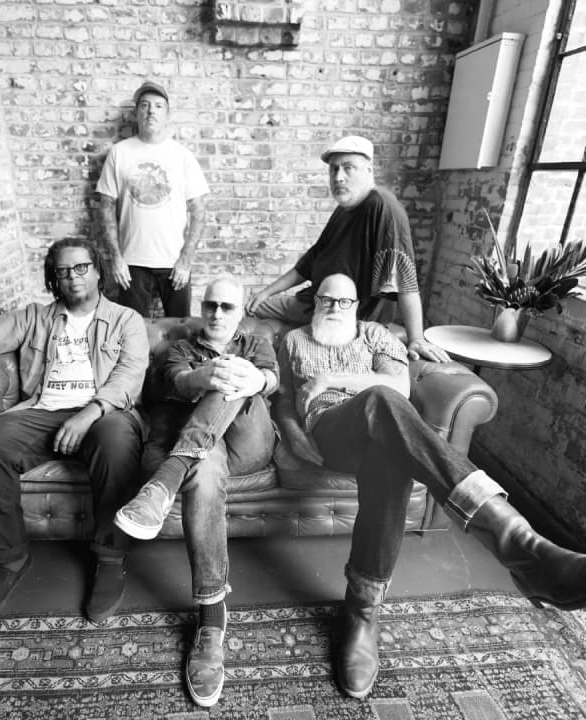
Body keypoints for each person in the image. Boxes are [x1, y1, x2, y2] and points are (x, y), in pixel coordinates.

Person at [275, 272, 586, 700]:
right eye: (326, 299)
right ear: (315, 302)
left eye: (344, 301)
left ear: (357, 306)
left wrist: (332, 380)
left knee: (389, 446)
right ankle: (519, 544)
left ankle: (362, 610)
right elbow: (282, 397)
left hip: (380, 427)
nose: (334, 307)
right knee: (382, 404)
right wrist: (292, 433)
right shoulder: (293, 340)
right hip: (331, 430)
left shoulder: (375, 335)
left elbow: (398, 385)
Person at [0, 239, 150, 630]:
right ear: (53, 278)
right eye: (63, 271)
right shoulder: (35, 317)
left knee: (116, 443)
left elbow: (129, 376)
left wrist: (87, 415)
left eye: (81, 267)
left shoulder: (127, 320)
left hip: (104, 412)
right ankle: (7, 558)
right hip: (43, 412)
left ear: (97, 271)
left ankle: (110, 556)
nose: (73, 277)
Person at [114, 277, 279, 708]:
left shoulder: (256, 342)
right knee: (205, 468)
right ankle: (211, 618)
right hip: (201, 451)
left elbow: (272, 378)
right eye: (211, 305)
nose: (218, 314)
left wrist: (254, 378)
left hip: (247, 443)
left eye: (228, 306)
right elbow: (175, 381)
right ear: (202, 307)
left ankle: (164, 484)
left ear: (241, 311)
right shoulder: (180, 347)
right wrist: (203, 376)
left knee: (234, 378)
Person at [245, 135, 449, 363]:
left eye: (348, 168)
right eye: (333, 169)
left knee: (248, 308)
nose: (338, 177)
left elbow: (404, 278)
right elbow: (308, 263)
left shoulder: (383, 207)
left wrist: (416, 338)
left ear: (369, 170)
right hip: (314, 302)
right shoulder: (344, 209)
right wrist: (266, 292)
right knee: (251, 305)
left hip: (345, 314)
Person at [97, 80, 210, 317]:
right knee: (132, 331)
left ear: (168, 114)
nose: (151, 111)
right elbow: (105, 207)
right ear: (136, 113)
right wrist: (116, 259)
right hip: (131, 264)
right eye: (145, 105)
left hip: (174, 263)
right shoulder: (119, 153)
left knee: (180, 329)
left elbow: (199, 212)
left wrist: (186, 260)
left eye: (158, 106)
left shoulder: (182, 156)